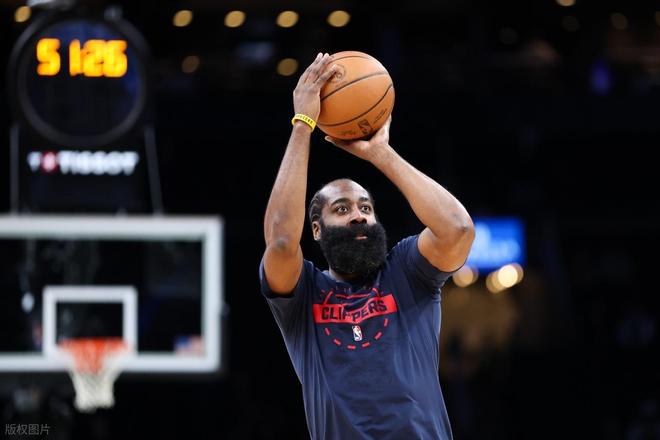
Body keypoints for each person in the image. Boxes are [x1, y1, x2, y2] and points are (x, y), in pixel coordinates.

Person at [260, 52, 475, 440]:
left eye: (365, 207)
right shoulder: (304, 294)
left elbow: (457, 230)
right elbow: (280, 240)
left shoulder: (406, 273)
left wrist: (382, 154)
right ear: (316, 230)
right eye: (341, 209)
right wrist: (303, 124)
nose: (358, 215)